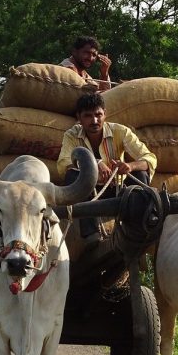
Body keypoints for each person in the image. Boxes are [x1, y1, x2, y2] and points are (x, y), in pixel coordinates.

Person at [58, 93, 157, 244]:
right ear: (79, 118)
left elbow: (149, 158)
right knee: (71, 175)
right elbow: (63, 163)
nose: (94, 121)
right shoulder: (71, 135)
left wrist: (130, 166)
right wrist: (95, 164)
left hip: (118, 190)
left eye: (98, 115)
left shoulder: (120, 131)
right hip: (89, 192)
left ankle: (139, 226)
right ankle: (91, 234)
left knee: (141, 174)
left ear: (105, 113)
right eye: (88, 116)